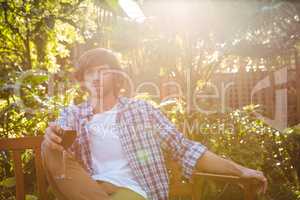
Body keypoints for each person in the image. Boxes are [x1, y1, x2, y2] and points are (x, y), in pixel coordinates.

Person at [41, 48, 267, 200]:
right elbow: (60, 160)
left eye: (103, 72)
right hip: (91, 189)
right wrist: (54, 136)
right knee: (48, 146)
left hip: (131, 191)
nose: (96, 78)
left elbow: (185, 148)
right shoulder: (73, 115)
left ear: (117, 77)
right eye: (90, 72)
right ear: (83, 79)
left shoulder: (141, 111)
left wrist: (240, 170)